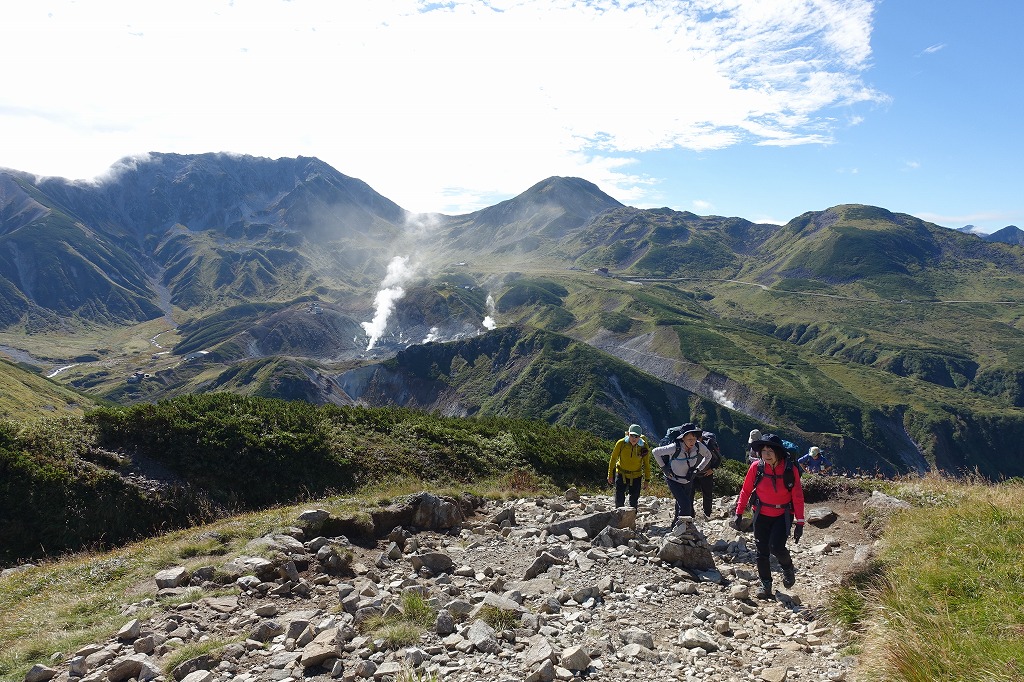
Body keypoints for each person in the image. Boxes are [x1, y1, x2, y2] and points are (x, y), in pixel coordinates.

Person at [733, 433, 805, 600]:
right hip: (761, 513)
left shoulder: (790, 470)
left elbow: (797, 496)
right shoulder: (756, 467)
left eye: (770, 450)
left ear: (778, 452)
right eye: (763, 451)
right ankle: (766, 585)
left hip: (782, 514)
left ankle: (787, 568)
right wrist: (739, 512)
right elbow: (745, 490)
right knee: (761, 552)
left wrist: (800, 522)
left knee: (776, 547)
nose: (766, 454)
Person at [652, 423, 713, 527]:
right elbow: (655, 452)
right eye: (689, 439)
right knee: (685, 505)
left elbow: (708, 456)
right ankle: (682, 530)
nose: (692, 441)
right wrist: (664, 468)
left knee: (680, 504)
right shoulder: (675, 447)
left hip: (688, 480)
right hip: (673, 479)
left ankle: (675, 526)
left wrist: (698, 469)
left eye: (694, 438)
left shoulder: (698, 446)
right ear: (682, 438)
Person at [607, 423, 650, 509]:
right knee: (619, 499)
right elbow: (613, 458)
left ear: (640, 437)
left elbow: (646, 463)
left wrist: (647, 479)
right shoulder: (621, 443)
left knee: (634, 500)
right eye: (632, 435)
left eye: (636, 436)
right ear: (628, 434)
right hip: (621, 473)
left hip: (636, 475)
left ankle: (632, 516)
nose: (634, 438)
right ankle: (619, 515)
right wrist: (610, 474)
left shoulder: (643, 446)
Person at [694, 431, 720, 517]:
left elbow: (718, 458)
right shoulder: (689, 445)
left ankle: (707, 513)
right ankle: (690, 513)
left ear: (701, 438)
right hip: (694, 473)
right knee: (690, 493)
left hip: (706, 473)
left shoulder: (709, 445)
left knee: (707, 494)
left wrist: (712, 469)